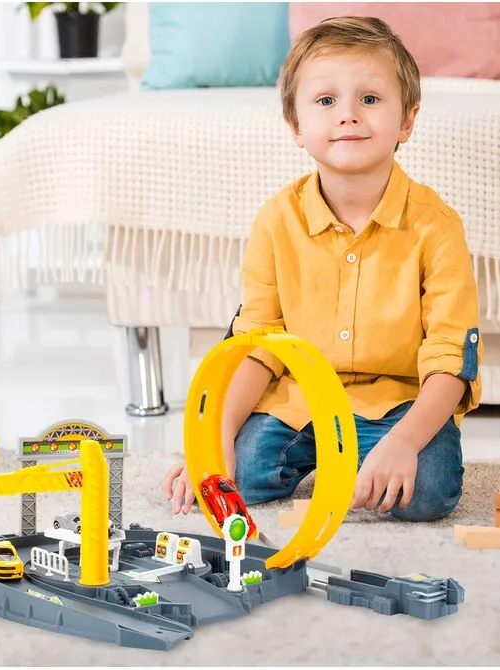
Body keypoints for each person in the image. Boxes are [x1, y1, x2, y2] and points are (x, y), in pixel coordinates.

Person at [162, 16, 483, 522]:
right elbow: (257, 345)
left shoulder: (436, 226)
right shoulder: (276, 220)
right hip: (298, 402)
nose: (348, 116)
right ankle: (344, 467)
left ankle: (369, 461)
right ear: (296, 127)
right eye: (326, 100)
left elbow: (450, 358)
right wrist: (213, 440)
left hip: (399, 405)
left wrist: (404, 442)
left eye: (370, 99)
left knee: (428, 492)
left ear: (407, 121)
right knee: (240, 474)